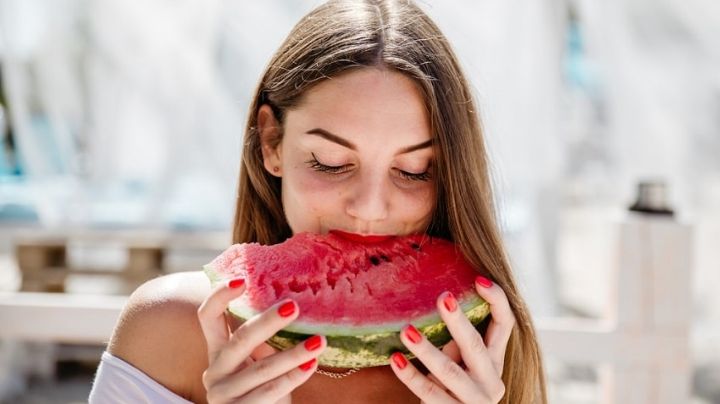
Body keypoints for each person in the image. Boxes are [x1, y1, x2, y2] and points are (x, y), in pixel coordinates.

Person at [89, 0, 548, 402]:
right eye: (330, 162)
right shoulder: (168, 328)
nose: (370, 207)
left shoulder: (484, 355)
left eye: (414, 171)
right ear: (271, 142)